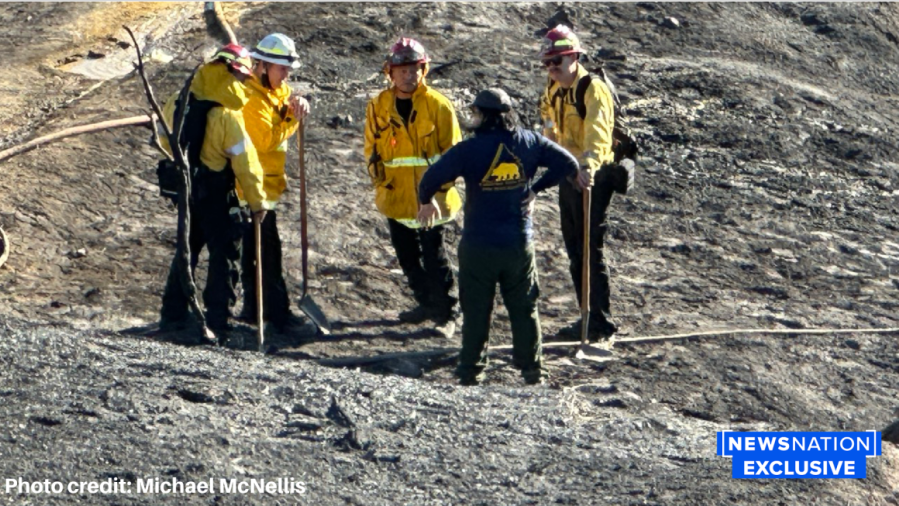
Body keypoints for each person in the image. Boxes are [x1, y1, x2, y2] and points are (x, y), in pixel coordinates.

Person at [418, 88, 587, 386]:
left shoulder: (469, 149)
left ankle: (471, 371)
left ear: (482, 115)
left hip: (478, 245)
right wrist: (534, 189)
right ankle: (533, 371)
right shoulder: (529, 141)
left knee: (476, 310)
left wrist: (426, 202)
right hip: (518, 243)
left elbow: (430, 178)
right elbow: (568, 164)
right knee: (524, 308)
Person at [158, 43, 270, 338]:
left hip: (186, 192)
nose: (245, 83)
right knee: (225, 255)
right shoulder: (227, 115)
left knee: (186, 251)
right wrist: (258, 203)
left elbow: (163, 139)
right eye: (243, 77)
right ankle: (218, 320)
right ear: (235, 74)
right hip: (218, 195)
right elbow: (246, 163)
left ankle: (172, 315)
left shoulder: (179, 100)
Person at [538, 25, 635, 341]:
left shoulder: (593, 90)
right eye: (547, 63)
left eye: (557, 61)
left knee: (590, 248)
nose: (552, 68)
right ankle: (586, 316)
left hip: (595, 176)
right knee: (574, 248)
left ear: (574, 58)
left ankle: (600, 323)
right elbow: (548, 123)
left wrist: (588, 167)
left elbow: (598, 134)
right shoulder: (553, 89)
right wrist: (552, 156)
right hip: (569, 173)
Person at [363, 37, 462, 337]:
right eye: (402, 70)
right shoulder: (378, 106)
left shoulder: (438, 105)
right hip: (396, 197)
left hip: (432, 200)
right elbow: (371, 149)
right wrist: (381, 183)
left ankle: (447, 312)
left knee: (435, 257)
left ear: (423, 70)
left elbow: (453, 155)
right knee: (406, 257)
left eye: (414, 69)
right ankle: (426, 303)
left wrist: (433, 195)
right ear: (390, 73)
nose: (409, 75)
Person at [235, 33, 311, 333]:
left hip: (267, 186)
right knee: (265, 253)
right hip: (251, 188)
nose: (286, 75)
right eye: (282, 69)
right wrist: (292, 120)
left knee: (259, 252)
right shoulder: (251, 98)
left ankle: (255, 309)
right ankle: (275, 314)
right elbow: (265, 140)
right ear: (263, 66)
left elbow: (287, 100)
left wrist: (298, 103)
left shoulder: (275, 92)